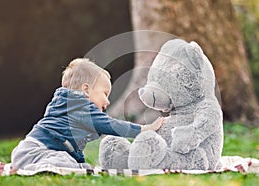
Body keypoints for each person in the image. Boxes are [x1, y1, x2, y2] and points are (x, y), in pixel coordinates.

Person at [11, 58, 164, 170]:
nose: (108, 101)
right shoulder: (81, 107)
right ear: (86, 90)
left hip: (26, 151)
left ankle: (61, 166)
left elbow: (73, 147)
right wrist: (144, 129)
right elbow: (112, 125)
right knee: (66, 163)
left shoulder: (66, 105)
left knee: (73, 163)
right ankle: (44, 168)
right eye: (105, 93)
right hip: (37, 151)